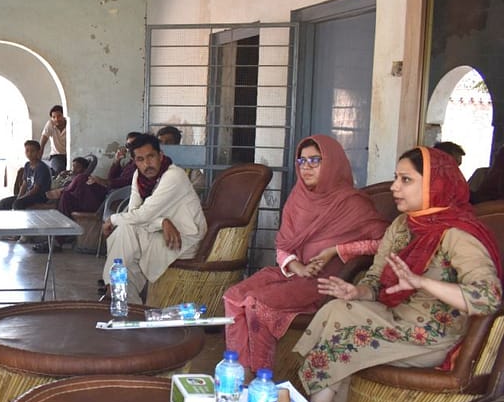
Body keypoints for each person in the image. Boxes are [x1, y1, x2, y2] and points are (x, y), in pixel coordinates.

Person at [294, 146, 503, 402]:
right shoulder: (403, 225)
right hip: (394, 318)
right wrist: (358, 291)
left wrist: (423, 283)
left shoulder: (457, 234)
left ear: (432, 184)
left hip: (430, 335)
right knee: (337, 309)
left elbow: (489, 298)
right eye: (396, 178)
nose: (394, 187)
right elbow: (376, 279)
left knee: (342, 340)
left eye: (406, 180)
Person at [222, 135, 388, 372]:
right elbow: (283, 245)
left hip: (326, 282)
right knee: (234, 296)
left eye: (315, 161)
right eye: (302, 161)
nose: (307, 167)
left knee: (258, 305)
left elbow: (383, 242)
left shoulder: (353, 203)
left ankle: (260, 377)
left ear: (332, 164)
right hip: (294, 273)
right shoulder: (298, 198)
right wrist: (296, 266)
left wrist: (337, 250)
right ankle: (239, 371)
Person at [101, 132, 207, 302]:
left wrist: (112, 220)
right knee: (125, 233)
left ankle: (117, 293)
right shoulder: (139, 177)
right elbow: (134, 213)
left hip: (184, 239)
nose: (147, 164)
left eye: (151, 157)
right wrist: (162, 222)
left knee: (124, 235)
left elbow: (142, 215)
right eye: (140, 159)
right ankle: (121, 296)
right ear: (135, 162)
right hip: (158, 232)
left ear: (160, 156)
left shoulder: (174, 176)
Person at [0, 140, 52, 210]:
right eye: (27, 151)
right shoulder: (27, 165)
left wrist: (21, 199)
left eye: (32, 151)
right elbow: (24, 184)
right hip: (28, 195)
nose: (29, 153)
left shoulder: (41, 168)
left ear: (38, 152)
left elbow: (35, 189)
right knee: (3, 203)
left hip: (39, 196)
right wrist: (19, 197)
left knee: (17, 205)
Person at [156, 125, 206, 193]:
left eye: (168, 142)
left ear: (177, 144)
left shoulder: (186, 163)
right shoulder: (154, 163)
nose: (164, 146)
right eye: (160, 142)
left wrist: (180, 194)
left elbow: (200, 184)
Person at [39, 104, 68, 175]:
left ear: (64, 116)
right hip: (56, 155)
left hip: (70, 154)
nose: (56, 119)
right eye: (53, 117)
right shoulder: (50, 124)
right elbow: (42, 144)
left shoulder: (69, 124)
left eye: (59, 116)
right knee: (60, 170)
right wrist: (38, 161)